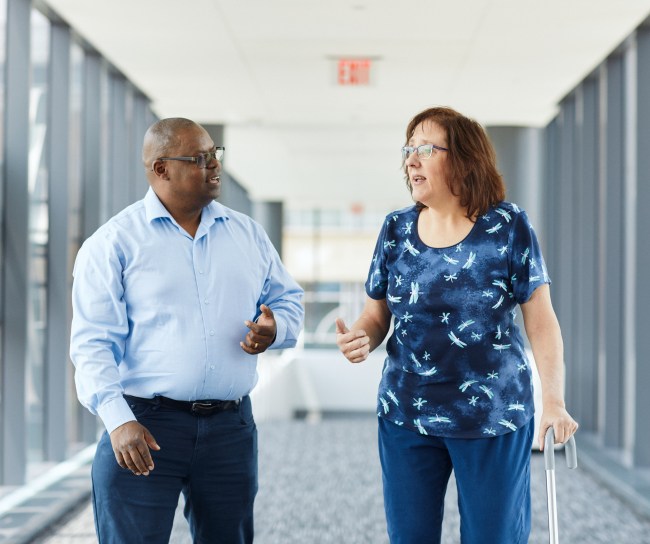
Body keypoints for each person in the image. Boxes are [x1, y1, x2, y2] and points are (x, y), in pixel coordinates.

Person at [335, 106, 578, 544]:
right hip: (407, 413)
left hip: (493, 416)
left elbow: (541, 323)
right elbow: (376, 315)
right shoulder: (396, 229)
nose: (411, 160)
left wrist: (554, 401)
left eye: (425, 148)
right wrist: (361, 338)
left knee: (494, 537)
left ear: (464, 158)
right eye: (408, 149)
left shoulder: (507, 226)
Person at [70, 117, 304, 543]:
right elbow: (92, 344)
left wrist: (277, 327)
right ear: (161, 169)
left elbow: (289, 299)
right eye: (200, 158)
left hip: (231, 429)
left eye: (215, 154)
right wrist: (117, 420)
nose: (214, 164)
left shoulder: (247, 234)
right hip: (143, 425)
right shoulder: (113, 243)